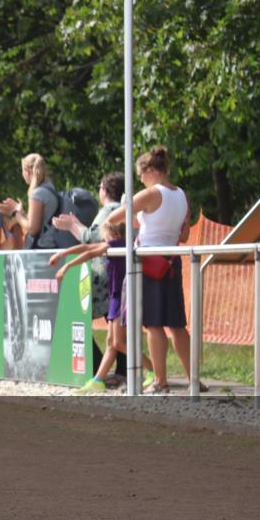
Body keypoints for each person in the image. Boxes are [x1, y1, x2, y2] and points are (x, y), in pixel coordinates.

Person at [106, 146, 195, 394]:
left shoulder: (150, 194)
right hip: (171, 260)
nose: (140, 180)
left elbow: (115, 218)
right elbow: (184, 234)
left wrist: (134, 209)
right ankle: (194, 378)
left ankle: (160, 380)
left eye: (141, 175)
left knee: (154, 324)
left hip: (149, 259)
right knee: (177, 325)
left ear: (151, 171)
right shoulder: (181, 195)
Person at [49, 220, 155, 394]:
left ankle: (151, 368)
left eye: (104, 234)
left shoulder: (116, 244)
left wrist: (67, 265)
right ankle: (98, 380)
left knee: (118, 343)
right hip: (115, 296)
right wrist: (63, 253)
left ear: (112, 233)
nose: (102, 238)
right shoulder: (113, 244)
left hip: (121, 297)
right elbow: (87, 248)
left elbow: (91, 253)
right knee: (111, 343)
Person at [53, 171, 129, 384]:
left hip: (103, 279)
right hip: (113, 277)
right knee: (118, 329)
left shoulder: (110, 211)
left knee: (80, 320)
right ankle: (120, 371)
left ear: (104, 190)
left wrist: (71, 226)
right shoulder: (122, 210)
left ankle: (99, 369)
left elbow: (91, 238)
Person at [0, 153, 59, 249]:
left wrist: (14, 212)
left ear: (27, 171)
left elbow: (32, 229)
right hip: (52, 245)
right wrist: (22, 213)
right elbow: (41, 221)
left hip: (41, 249)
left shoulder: (37, 194)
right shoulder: (50, 188)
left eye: (22, 170)